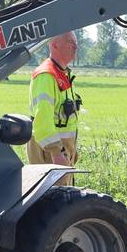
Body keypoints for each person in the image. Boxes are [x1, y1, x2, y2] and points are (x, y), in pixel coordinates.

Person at [27, 32, 82, 183]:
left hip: (62, 151)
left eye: (75, 42)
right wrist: (57, 152)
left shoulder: (62, 74)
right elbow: (42, 120)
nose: (76, 46)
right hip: (50, 153)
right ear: (54, 45)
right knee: (54, 202)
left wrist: (71, 151)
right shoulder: (46, 76)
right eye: (71, 42)